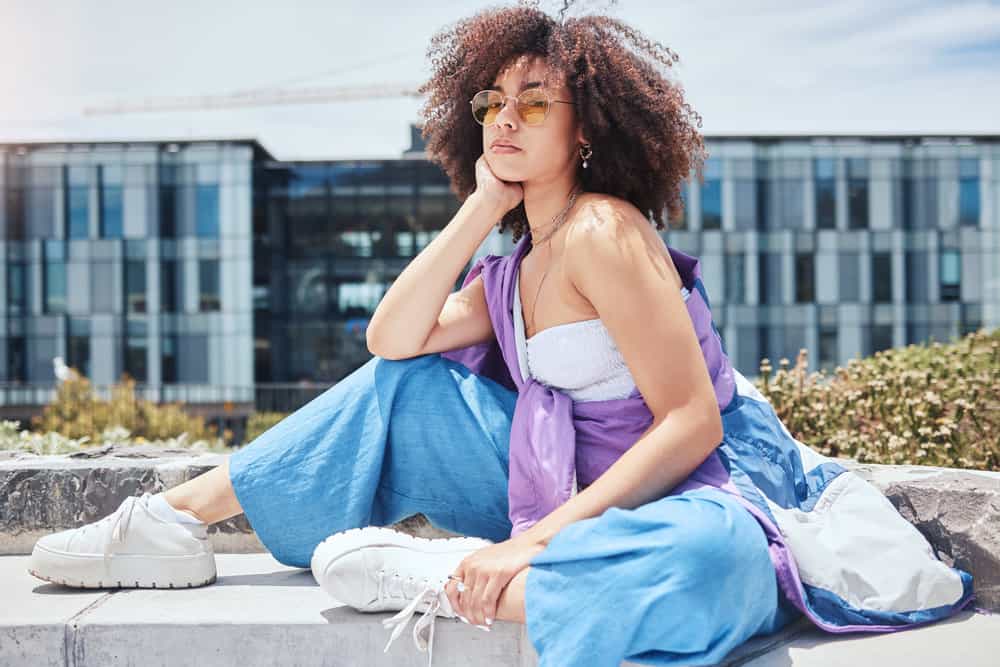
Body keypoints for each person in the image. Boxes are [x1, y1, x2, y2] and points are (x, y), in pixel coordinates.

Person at [28, 4, 974, 667]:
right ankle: (168, 524)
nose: (506, 117)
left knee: (713, 567)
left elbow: (691, 423)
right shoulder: (516, 262)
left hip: (691, 487)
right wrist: (482, 206)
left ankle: (438, 578)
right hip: (557, 478)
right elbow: (390, 339)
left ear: (589, 126)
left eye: (534, 101)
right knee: (409, 385)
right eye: (491, 103)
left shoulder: (606, 229)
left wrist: (531, 545)